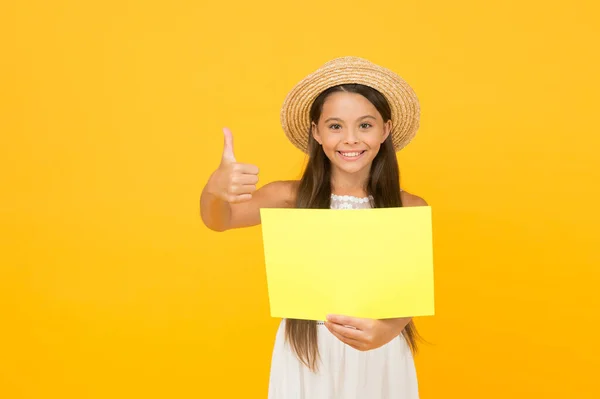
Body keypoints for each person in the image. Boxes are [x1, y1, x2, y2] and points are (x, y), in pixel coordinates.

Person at [200, 56, 428, 398]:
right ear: (316, 132)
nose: (350, 139)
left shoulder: (410, 207)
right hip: (308, 353)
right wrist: (214, 190)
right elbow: (221, 220)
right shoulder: (288, 197)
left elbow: (409, 294)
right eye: (335, 126)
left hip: (380, 354)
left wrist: (388, 330)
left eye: (365, 125)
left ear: (386, 130)